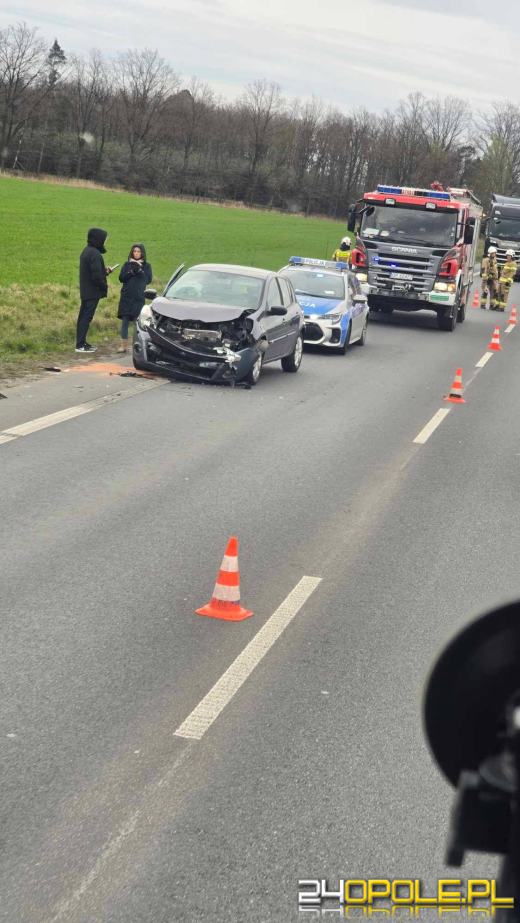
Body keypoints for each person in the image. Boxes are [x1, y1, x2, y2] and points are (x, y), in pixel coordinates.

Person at [76, 227, 112, 353]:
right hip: (92, 292)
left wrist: (105, 272)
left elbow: (94, 272)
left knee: (83, 317)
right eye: (104, 239)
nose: (105, 242)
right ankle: (80, 345)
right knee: (86, 317)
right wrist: (104, 286)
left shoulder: (86, 251)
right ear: (98, 239)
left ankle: (81, 342)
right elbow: (96, 276)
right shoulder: (95, 254)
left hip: (86, 291)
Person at [117, 244, 152, 353]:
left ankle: (138, 345)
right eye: (134, 251)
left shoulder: (147, 266)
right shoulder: (127, 264)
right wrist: (131, 272)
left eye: (138, 251)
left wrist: (140, 271)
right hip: (127, 296)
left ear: (142, 253)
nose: (136, 253)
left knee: (138, 323)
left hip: (138, 297)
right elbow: (121, 278)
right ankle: (123, 346)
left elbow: (148, 280)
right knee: (125, 321)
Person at [480, 246, 499, 310]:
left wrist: (496, 278)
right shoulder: (485, 260)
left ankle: (491, 305)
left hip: (493, 279)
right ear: (490, 253)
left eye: (495, 253)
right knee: (485, 291)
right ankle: (483, 305)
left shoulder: (495, 260)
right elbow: (483, 270)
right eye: (493, 253)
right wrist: (486, 277)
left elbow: (495, 270)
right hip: (486, 279)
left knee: (493, 292)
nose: (495, 254)